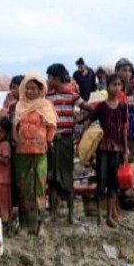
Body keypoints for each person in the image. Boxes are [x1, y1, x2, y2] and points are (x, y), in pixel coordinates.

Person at [13, 72, 57, 235]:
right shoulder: (19, 105)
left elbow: (52, 126)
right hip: (22, 152)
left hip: (40, 152)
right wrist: (19, 140)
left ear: (40, 90)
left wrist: (47, 140)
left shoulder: (46, 105)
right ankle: (25, 224)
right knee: (24, 188)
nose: (30, 91)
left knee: (40, 186)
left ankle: (40, 224)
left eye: (34, 88)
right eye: (28, 88)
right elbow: (15, 128)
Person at [90, 74, 129, 227]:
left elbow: (124, 130)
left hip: (117, 148)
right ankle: (100, 217)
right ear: (108, 87)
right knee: (101, 181)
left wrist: (125, 149)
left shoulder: (122, 106)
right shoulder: (101, 107)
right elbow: (91, 122)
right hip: (103, 148)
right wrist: (89, 147)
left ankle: (109, 216)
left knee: (114, 182)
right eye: (114, 84)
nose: (117, 87)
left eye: (119, 85)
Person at [46, 63, 83, 224]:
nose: (47, 80)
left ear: (55, 78)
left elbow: (88, 107)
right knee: (52, 178)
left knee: (67, 178)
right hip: (53, 141)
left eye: (49, 77)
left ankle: (70, 215)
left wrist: (80, 122)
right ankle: (53, 214)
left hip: (66, 141)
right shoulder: (47, 97)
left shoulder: (72, 95)